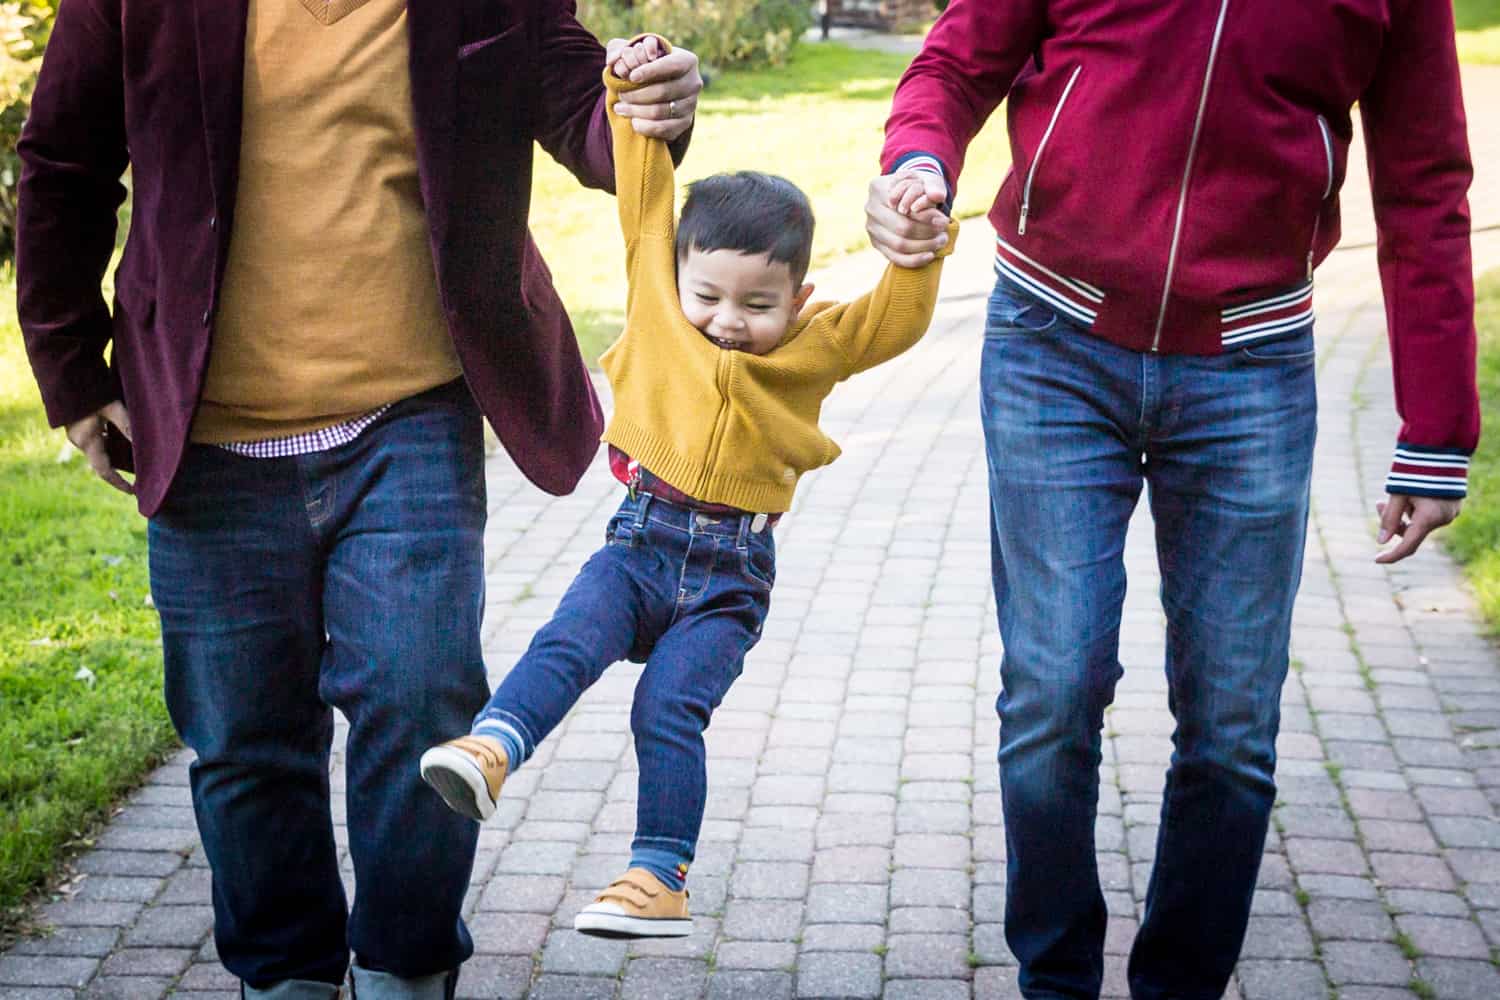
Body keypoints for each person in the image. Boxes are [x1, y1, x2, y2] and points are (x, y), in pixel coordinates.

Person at [16, 2, 702, 997]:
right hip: (208, 431)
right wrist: (74, 370)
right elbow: (63, 161)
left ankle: (404, 968)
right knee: (244, 742)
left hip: (406, 417)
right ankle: (285, 977)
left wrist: (644, 103)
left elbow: (577, 103)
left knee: (425, 701)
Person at [864, 2, 1478, 998]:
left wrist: (1437, 429)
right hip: (1053, 335)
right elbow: (955, 61)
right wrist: (920, 161)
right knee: (1054, 686)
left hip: (1252, 358)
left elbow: (1426, 182)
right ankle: (1055, 979)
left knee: (1234, 727)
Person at [418, 34, 956, 940]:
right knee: (567, 643)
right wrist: (626, 82)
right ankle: (493, 747)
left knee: (667, 708)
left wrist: (918, 244)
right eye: (709, 295)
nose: (728, 322)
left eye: (758, 305)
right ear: (677, 278)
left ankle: (657, 876)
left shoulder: (815, 346)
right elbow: (645, 195)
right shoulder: (659, 298)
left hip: (731, 578)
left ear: (799, 296)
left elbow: (892, 323)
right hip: (639, 544)